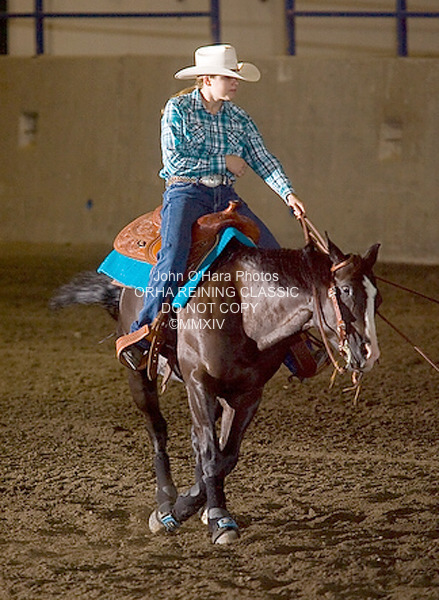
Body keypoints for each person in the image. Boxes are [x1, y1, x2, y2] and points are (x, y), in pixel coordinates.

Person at [116, 44, 306, 370]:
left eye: (235, 78)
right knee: (173, 254)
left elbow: (263, 159)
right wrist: (224, 161)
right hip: (186, 194)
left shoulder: (239, 118)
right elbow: (175, 161)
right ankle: (144, 332)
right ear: (207, 79)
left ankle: (293, 342)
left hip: (225, 197)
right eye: (228, 77)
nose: (235, 83)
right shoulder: (178, 109)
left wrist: (288, 194)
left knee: (272, 258)